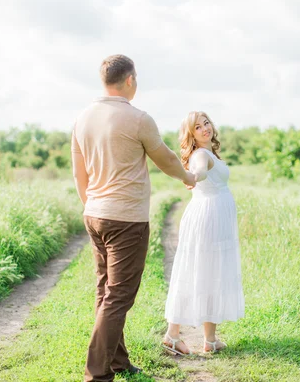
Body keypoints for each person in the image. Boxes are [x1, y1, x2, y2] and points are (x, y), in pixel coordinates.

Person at [71, 54, 196, 382]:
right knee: (119, 296)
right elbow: (165, 158)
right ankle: (96, 375)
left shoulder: (83, 117)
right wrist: (188, 177)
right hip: (126, 219)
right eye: (136, 79)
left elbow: (78, 172)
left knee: (106, 291)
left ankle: (117, 362)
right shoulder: (138, 118)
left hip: (95, 214)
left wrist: (92, 205)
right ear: (130, 80)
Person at [162, 111, 245, 355]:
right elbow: (199, 171)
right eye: (198, 127)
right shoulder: (200, 155)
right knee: (196, 271)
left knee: (213, 274)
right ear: (191, 135)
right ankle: (172, 335)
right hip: (207, 218)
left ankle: (210, 340)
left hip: (215, 219)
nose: (205, 128)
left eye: (206, 123)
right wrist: (193, 176)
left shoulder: (210, 153)